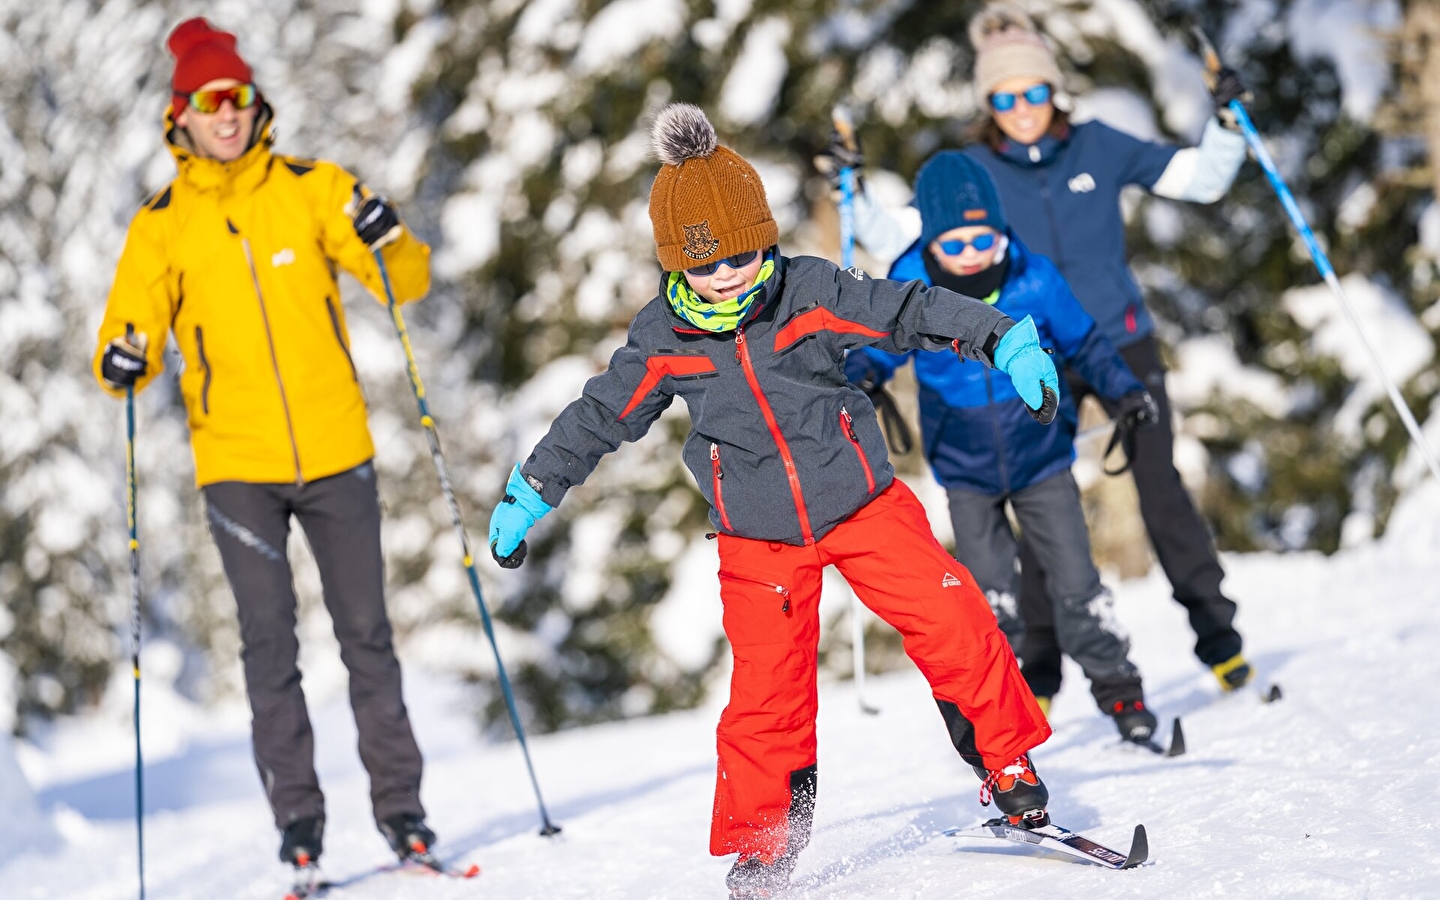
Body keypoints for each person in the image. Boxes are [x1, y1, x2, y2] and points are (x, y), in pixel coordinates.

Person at [489, 103, 1057, 900]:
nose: (728, 274)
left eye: (744, 254)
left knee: (954, 616)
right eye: (707, 262)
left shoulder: (809, 292)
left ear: (766, 239)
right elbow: (598, 418)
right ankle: (767, 839)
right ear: (676, 263)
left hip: (862, 502)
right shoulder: (664, 341)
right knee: (766, 696)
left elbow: (908, 310)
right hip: (758, 538)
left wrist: (1003, 337)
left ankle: (1005, 761)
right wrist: (532, 490)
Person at [835, 2, 1254, 705]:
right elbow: (899, 235)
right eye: (1003, 96)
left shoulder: (1099, 146)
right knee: (1036, 507)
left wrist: (1228, 123)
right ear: (986, 103)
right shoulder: (968, 171)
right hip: (1026, 353)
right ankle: (1041, 668)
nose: (1021, 107)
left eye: (1033, 91)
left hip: (1118, 340)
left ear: (1054, 90)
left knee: (1161, 490)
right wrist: (850, 186)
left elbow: (1201, 179)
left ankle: (1219, 638)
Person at [93, 18, 436, 872]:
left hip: (335, 451)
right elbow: (122, 345)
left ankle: (404, 815)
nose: (228, 113)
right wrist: (124, 355)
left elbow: (405, 283)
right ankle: (301, 831)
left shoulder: (312, 188)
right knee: (268, 646)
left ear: (256, 106)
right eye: (212, 101)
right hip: (236, 466)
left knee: (367, 635)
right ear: (182, 115)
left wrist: (387, 234)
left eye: (239, 98)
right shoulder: (163, 225)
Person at [845, 152, 1165, 742]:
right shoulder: (911, 285)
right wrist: (858, 368)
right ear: (931, 240)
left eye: (982, 238)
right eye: (954, 243)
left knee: (1075, 584)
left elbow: (1086, 343)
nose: (970, 254)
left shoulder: (1034, 275)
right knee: (990, 599)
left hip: (1041, 457)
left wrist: (1122, 389)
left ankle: (1122, 695)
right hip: (964, 470)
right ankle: (1004, 723)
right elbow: (880, 343)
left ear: (1000, 229)